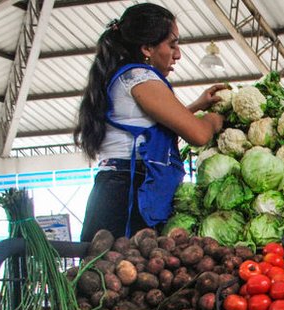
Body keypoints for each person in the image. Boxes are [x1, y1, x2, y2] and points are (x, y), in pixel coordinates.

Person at [74, 3, 226, 242]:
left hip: (117, 190)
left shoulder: (124, 76)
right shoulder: (140, 78)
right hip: (129, 194)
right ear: (146, 48)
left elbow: (151, 128)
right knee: (125, 272)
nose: (178, 54)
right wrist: (216, 119)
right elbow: (199, 135)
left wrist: (195, 107)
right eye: (172, 44)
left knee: (112, 273)